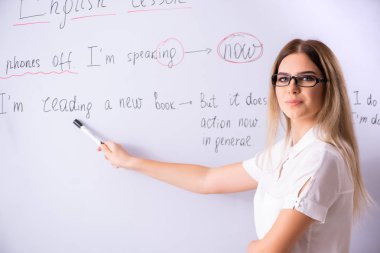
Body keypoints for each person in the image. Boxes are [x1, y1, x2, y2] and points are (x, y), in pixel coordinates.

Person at [98, 39, 371, 253]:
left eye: (307, 78)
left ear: (328, 87)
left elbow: (269, 250)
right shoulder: (285, 151)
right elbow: (208, 180)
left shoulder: (320, 157)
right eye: (283, 78)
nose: (292, 88)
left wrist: (254, 246)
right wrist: (130, 162)